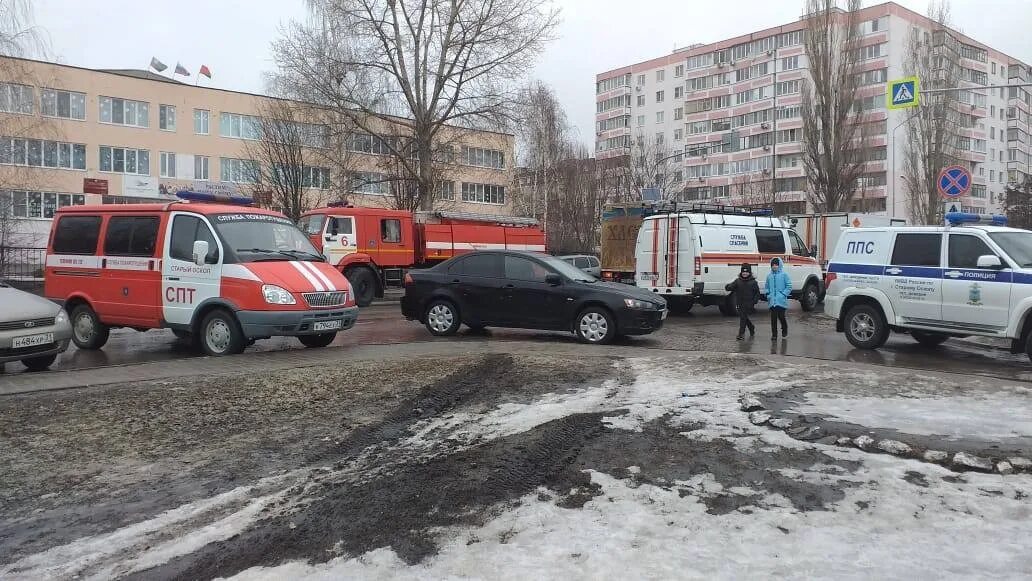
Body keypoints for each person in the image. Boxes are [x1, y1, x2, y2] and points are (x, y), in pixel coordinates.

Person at [725, 263, 760, 340]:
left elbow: (757, 293)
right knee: (743, 317)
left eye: (747, 272)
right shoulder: (738, 281)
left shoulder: (753, 282)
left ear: (749, 273)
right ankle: (751, 327)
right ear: (741, 272)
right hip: (740, 302)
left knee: (743, 318)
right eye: (743, 272)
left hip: (749, 303)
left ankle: (741, 334)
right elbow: (731, 286)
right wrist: (728, 287)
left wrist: (754, 301)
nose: (745, 273)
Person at [766, 257, 791, 340]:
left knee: (781, 316)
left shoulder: (784, 275)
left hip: (781, 301)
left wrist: (783, 294)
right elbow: (767, 286)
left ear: (779, 265)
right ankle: (774, 335)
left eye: (776, 265)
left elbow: (789, 286)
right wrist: (768, 294)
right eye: (773, 265)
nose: (774, 266)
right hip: (772, 301)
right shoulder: (769, 276)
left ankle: (784, 328)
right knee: (773, 319)